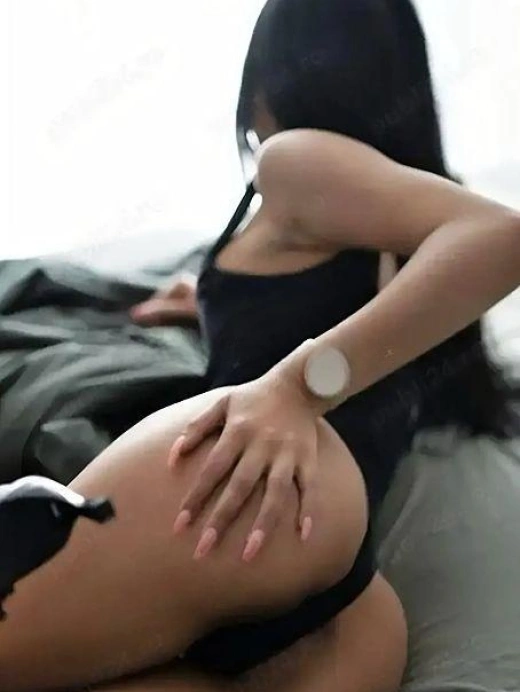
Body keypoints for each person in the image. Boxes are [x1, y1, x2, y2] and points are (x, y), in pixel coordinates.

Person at [1, 0, 519, 690]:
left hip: (242, 486)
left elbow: (503, 236)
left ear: (275, 69)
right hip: (348, 613)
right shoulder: (403, 229)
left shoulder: (292, 161)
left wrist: (296, 387)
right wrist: (217, 298)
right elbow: (331, 302)